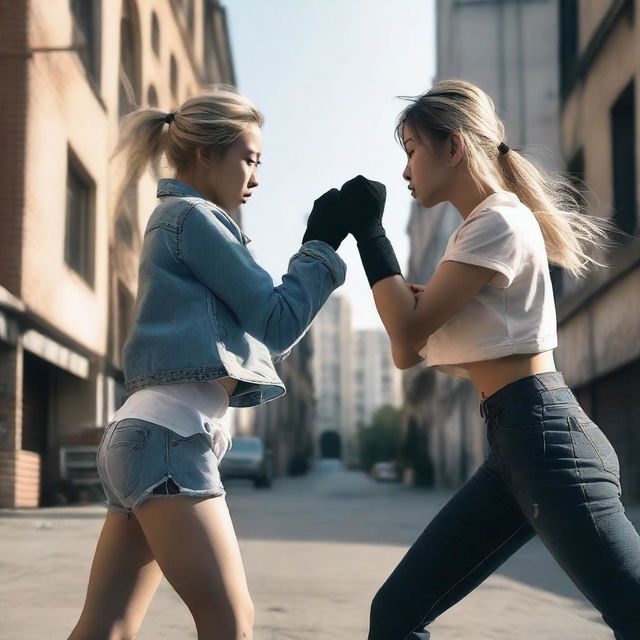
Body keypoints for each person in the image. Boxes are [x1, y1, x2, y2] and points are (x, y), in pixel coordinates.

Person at [335, 79, 640, 639]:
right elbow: (411, 343)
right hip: (515, 443)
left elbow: (404, 334)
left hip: (545, 439)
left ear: (453, 148)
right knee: (397, 613)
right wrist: (404, 285)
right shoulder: (478, 233)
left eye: (411, 151)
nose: (405, 171)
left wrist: (371, 233)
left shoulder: (497, 221)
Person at [68, 85, 350, 640]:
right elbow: (276, 321)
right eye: (250, 159)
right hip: (170, 440)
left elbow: (260, 334)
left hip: (142, 437)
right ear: (206, 154)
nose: (256, 177)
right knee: (230, 624)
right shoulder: (194, 217)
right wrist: (319, 246)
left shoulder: (176, 219)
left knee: (108, 626)